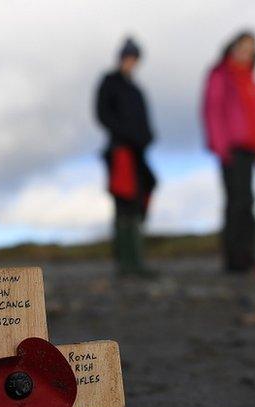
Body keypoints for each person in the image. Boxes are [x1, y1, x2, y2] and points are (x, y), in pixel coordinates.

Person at [202, 31, 255, 274]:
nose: (246, 52)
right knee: (235, 201)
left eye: (250, 48)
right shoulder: (221, 75)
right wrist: (220, 144)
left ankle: (249, 255)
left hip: (250, 148)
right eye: (242, 46)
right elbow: (212, 110)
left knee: (248, 202)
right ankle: (233, 259)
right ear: (232, 48)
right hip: (231, 148)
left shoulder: (252, 81)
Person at [95, 37, 158, 278]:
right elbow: (102, 113)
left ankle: (137, 260)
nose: (131, 61)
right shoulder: (110, 82)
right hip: (120, 150)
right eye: (128, 57)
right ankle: (126, 264)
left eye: (135, 58)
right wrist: (125, 134)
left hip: (138, 153)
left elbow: (145, 122)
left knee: (140, 198)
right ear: (121, 57)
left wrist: (147, 137)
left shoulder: (136, 90)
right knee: (124, 203)